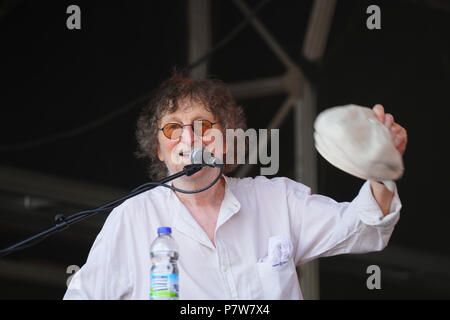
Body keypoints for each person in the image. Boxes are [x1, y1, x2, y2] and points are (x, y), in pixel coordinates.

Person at [63, 73, 407, 300]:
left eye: (203, 125)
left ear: (226, 141)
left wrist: (381, 167)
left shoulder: (276, 199)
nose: (189, 138)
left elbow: (364, 227)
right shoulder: (132, 218)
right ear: (159, 149)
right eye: (173, 129)